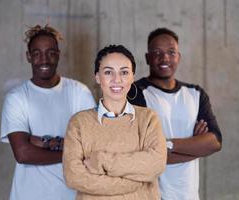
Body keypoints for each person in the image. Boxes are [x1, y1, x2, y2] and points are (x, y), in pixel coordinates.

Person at [0, 24, 96, 200]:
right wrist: (71, 150)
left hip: (74, 195)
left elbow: (92, 146)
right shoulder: (17, 98)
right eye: (37, 53)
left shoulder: (79, 92)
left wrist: (44, 142)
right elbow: (23, 153)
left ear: (58, 55)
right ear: (29, 57)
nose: (44, 60)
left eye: (50, 53)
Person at [127, 28, 222, 200]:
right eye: (157, 52)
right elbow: (139, 156)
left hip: (189, 195)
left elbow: (215, 142)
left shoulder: (195, 93)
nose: (165, 58)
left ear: (179, 57)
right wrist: (196, 146)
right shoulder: (135, 93)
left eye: (171, 52)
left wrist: (168, 145)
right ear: (147, 58)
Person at [63, 45, 167, 200]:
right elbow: (74, 176)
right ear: (97, 77)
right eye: (108, 72)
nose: (117, 79)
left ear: (132, 77)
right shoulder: (79, 123)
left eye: (124, 72)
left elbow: (156, 164)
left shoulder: (148, 119)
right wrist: (133, 181)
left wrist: (101, 161)